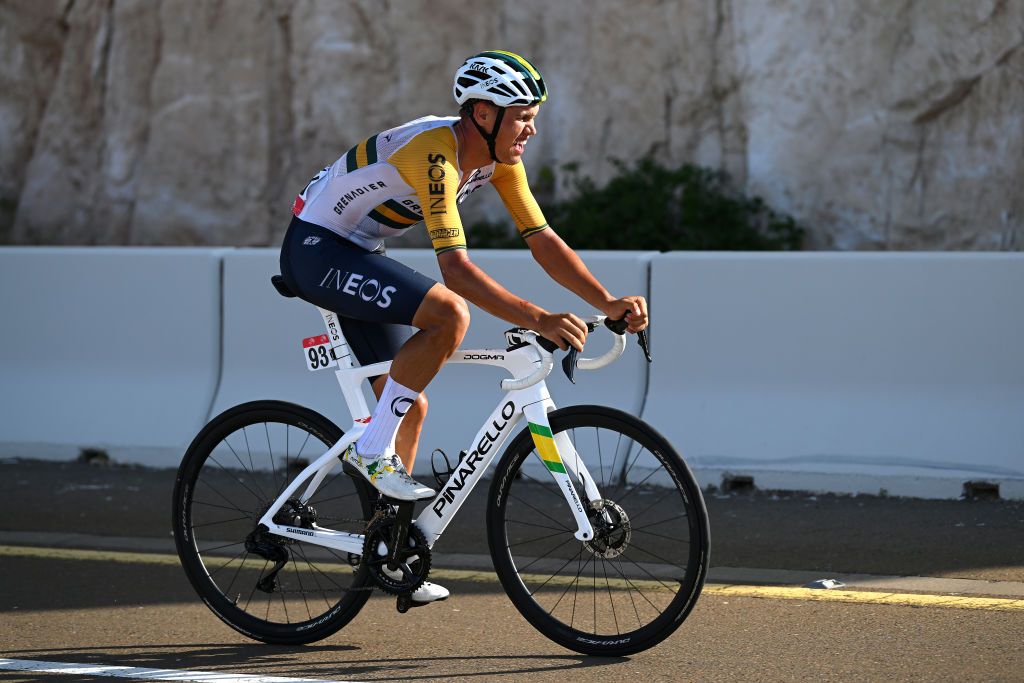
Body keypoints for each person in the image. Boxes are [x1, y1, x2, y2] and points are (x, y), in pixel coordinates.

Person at [279, 50, 648, 604]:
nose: (532, 127)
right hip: (316, 248)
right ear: (481, 114)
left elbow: (542, 239)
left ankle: (391, 546)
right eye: (522, 114)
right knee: (450, 313)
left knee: (409, 404)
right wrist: (539, 317)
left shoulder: (498, 159)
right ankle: (368, 451)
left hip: (359, 249)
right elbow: (455, 270)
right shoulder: (436, 153)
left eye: (532, 115)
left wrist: (607, 300)